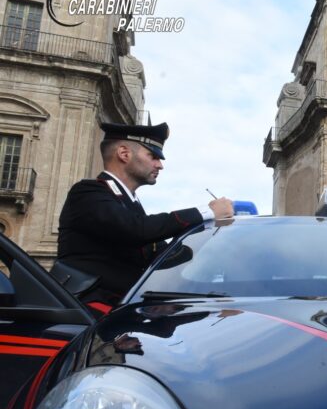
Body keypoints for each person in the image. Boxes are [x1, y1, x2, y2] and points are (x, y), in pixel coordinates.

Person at [57, 122, 233, 315]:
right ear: (124, 154)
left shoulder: (130, 204)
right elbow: (136, 230)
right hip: (84, 311)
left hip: (121, 309)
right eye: (153, 156)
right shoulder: (87, 193)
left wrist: (214, 299)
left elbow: (161, 254)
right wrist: (207, 212)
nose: (160, 165)